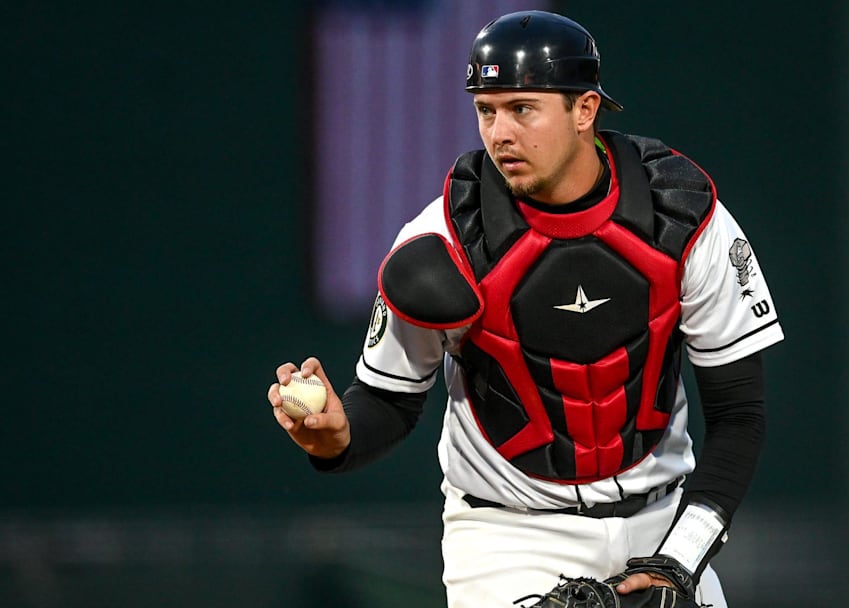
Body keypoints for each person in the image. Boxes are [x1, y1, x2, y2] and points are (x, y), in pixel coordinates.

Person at [268, 10, 783, 608]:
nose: (499, 132)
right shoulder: (440, 244)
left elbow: (740, 413)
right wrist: (335, 435)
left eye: (522, 108)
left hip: (663, 521)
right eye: (486, 110)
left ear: (585, 110)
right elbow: (387, 401)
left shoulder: (686, 219)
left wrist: (680, 560)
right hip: (510, 539)